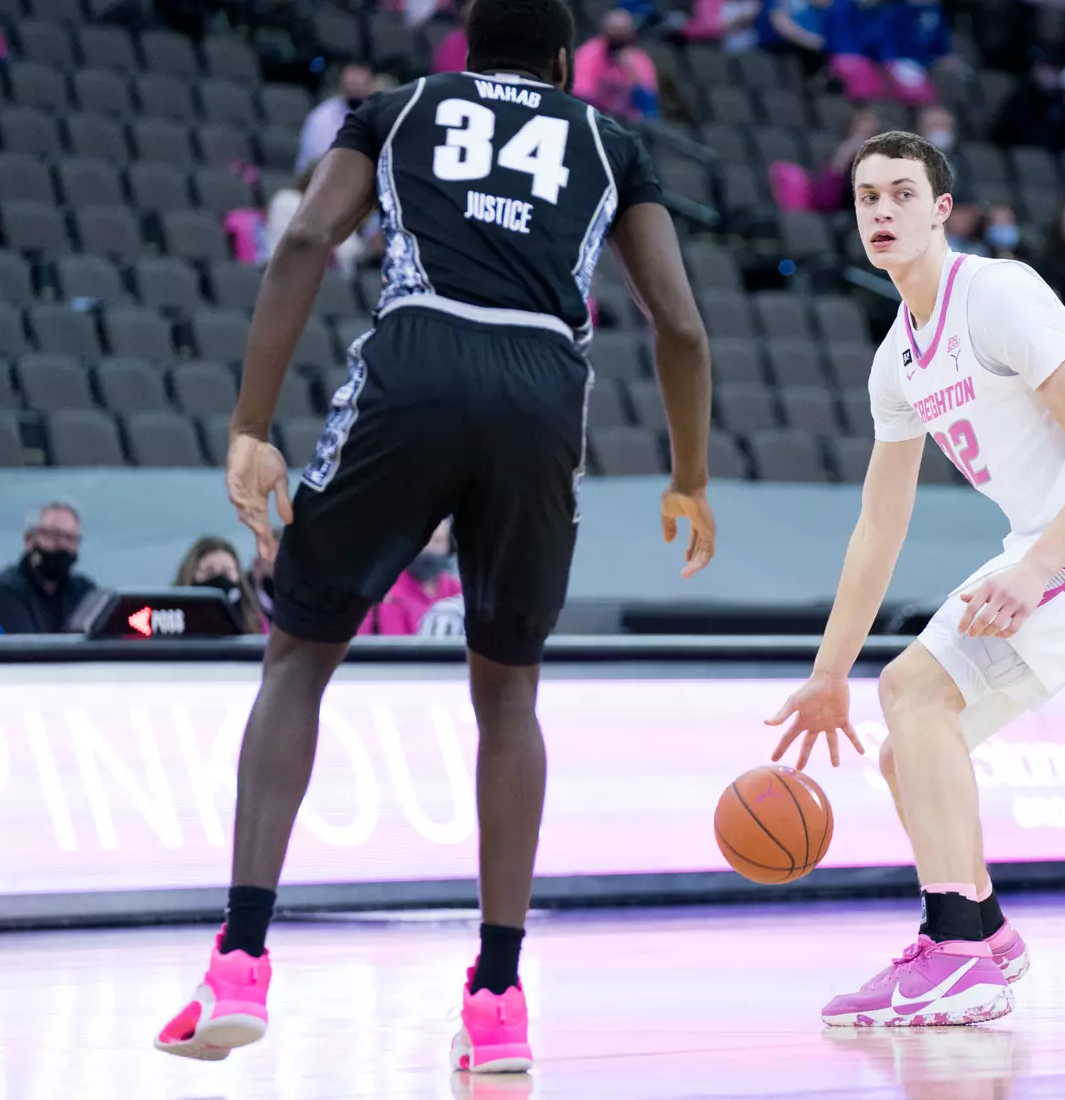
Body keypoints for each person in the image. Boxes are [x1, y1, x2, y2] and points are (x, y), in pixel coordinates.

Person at [154, 0, 716, 1074]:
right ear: (561, 64)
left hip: (417, 358)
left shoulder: (399, 108)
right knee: (508, 694)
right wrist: (689, 477)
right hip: (543, 387)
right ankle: (499, 994)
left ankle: (239, 960)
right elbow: (679, 323)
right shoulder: (611, 141)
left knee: (298, 658)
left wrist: (250, 426)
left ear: (466, 54)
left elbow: (310, 238)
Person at [767, 130, 1065, 1027]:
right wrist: (830, 673)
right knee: (906, 747)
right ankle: (983, 933)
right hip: (1044, 536)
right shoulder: (898, 362)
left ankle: (956, 949)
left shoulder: (996, 295)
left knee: (916, 691)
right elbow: (880, 525)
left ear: (941, 209)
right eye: (867, 196)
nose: (881, 211)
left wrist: (1036, 569)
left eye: (902, 194)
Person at [0, 502, 96, 634]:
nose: (62, 545)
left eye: (70, 538)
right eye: (54, 535)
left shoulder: (84, 592)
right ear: (29, 539)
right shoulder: (5, 590)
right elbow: (25, 648)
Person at [362, 517, 465, 634]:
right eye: (423, 542)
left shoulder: (459, 591)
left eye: (437, 541)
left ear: (450, 545)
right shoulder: (387, 590)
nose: (428, 549)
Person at [571, 8, 659, 123]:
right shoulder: (588, 54)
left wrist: (632, 73)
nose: (617, 38)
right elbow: (580, 96)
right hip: (597, 118)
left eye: (622, 32)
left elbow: (649, 106)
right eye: (613, 31)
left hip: (631, 124)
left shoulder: (639, 59)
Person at [173, 535, 263, 635]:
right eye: (209, 572)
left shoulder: (258, 623)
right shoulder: (172, 624)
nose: (219, 577)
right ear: (191, 575)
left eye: (226, 572)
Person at [294, 62, 375, 172]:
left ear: (371, 87)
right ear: (340, 86)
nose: (356, 90)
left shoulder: (376, 115)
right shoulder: (322, 118)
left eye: (360, 86)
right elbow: (320, 166)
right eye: (351, 85)